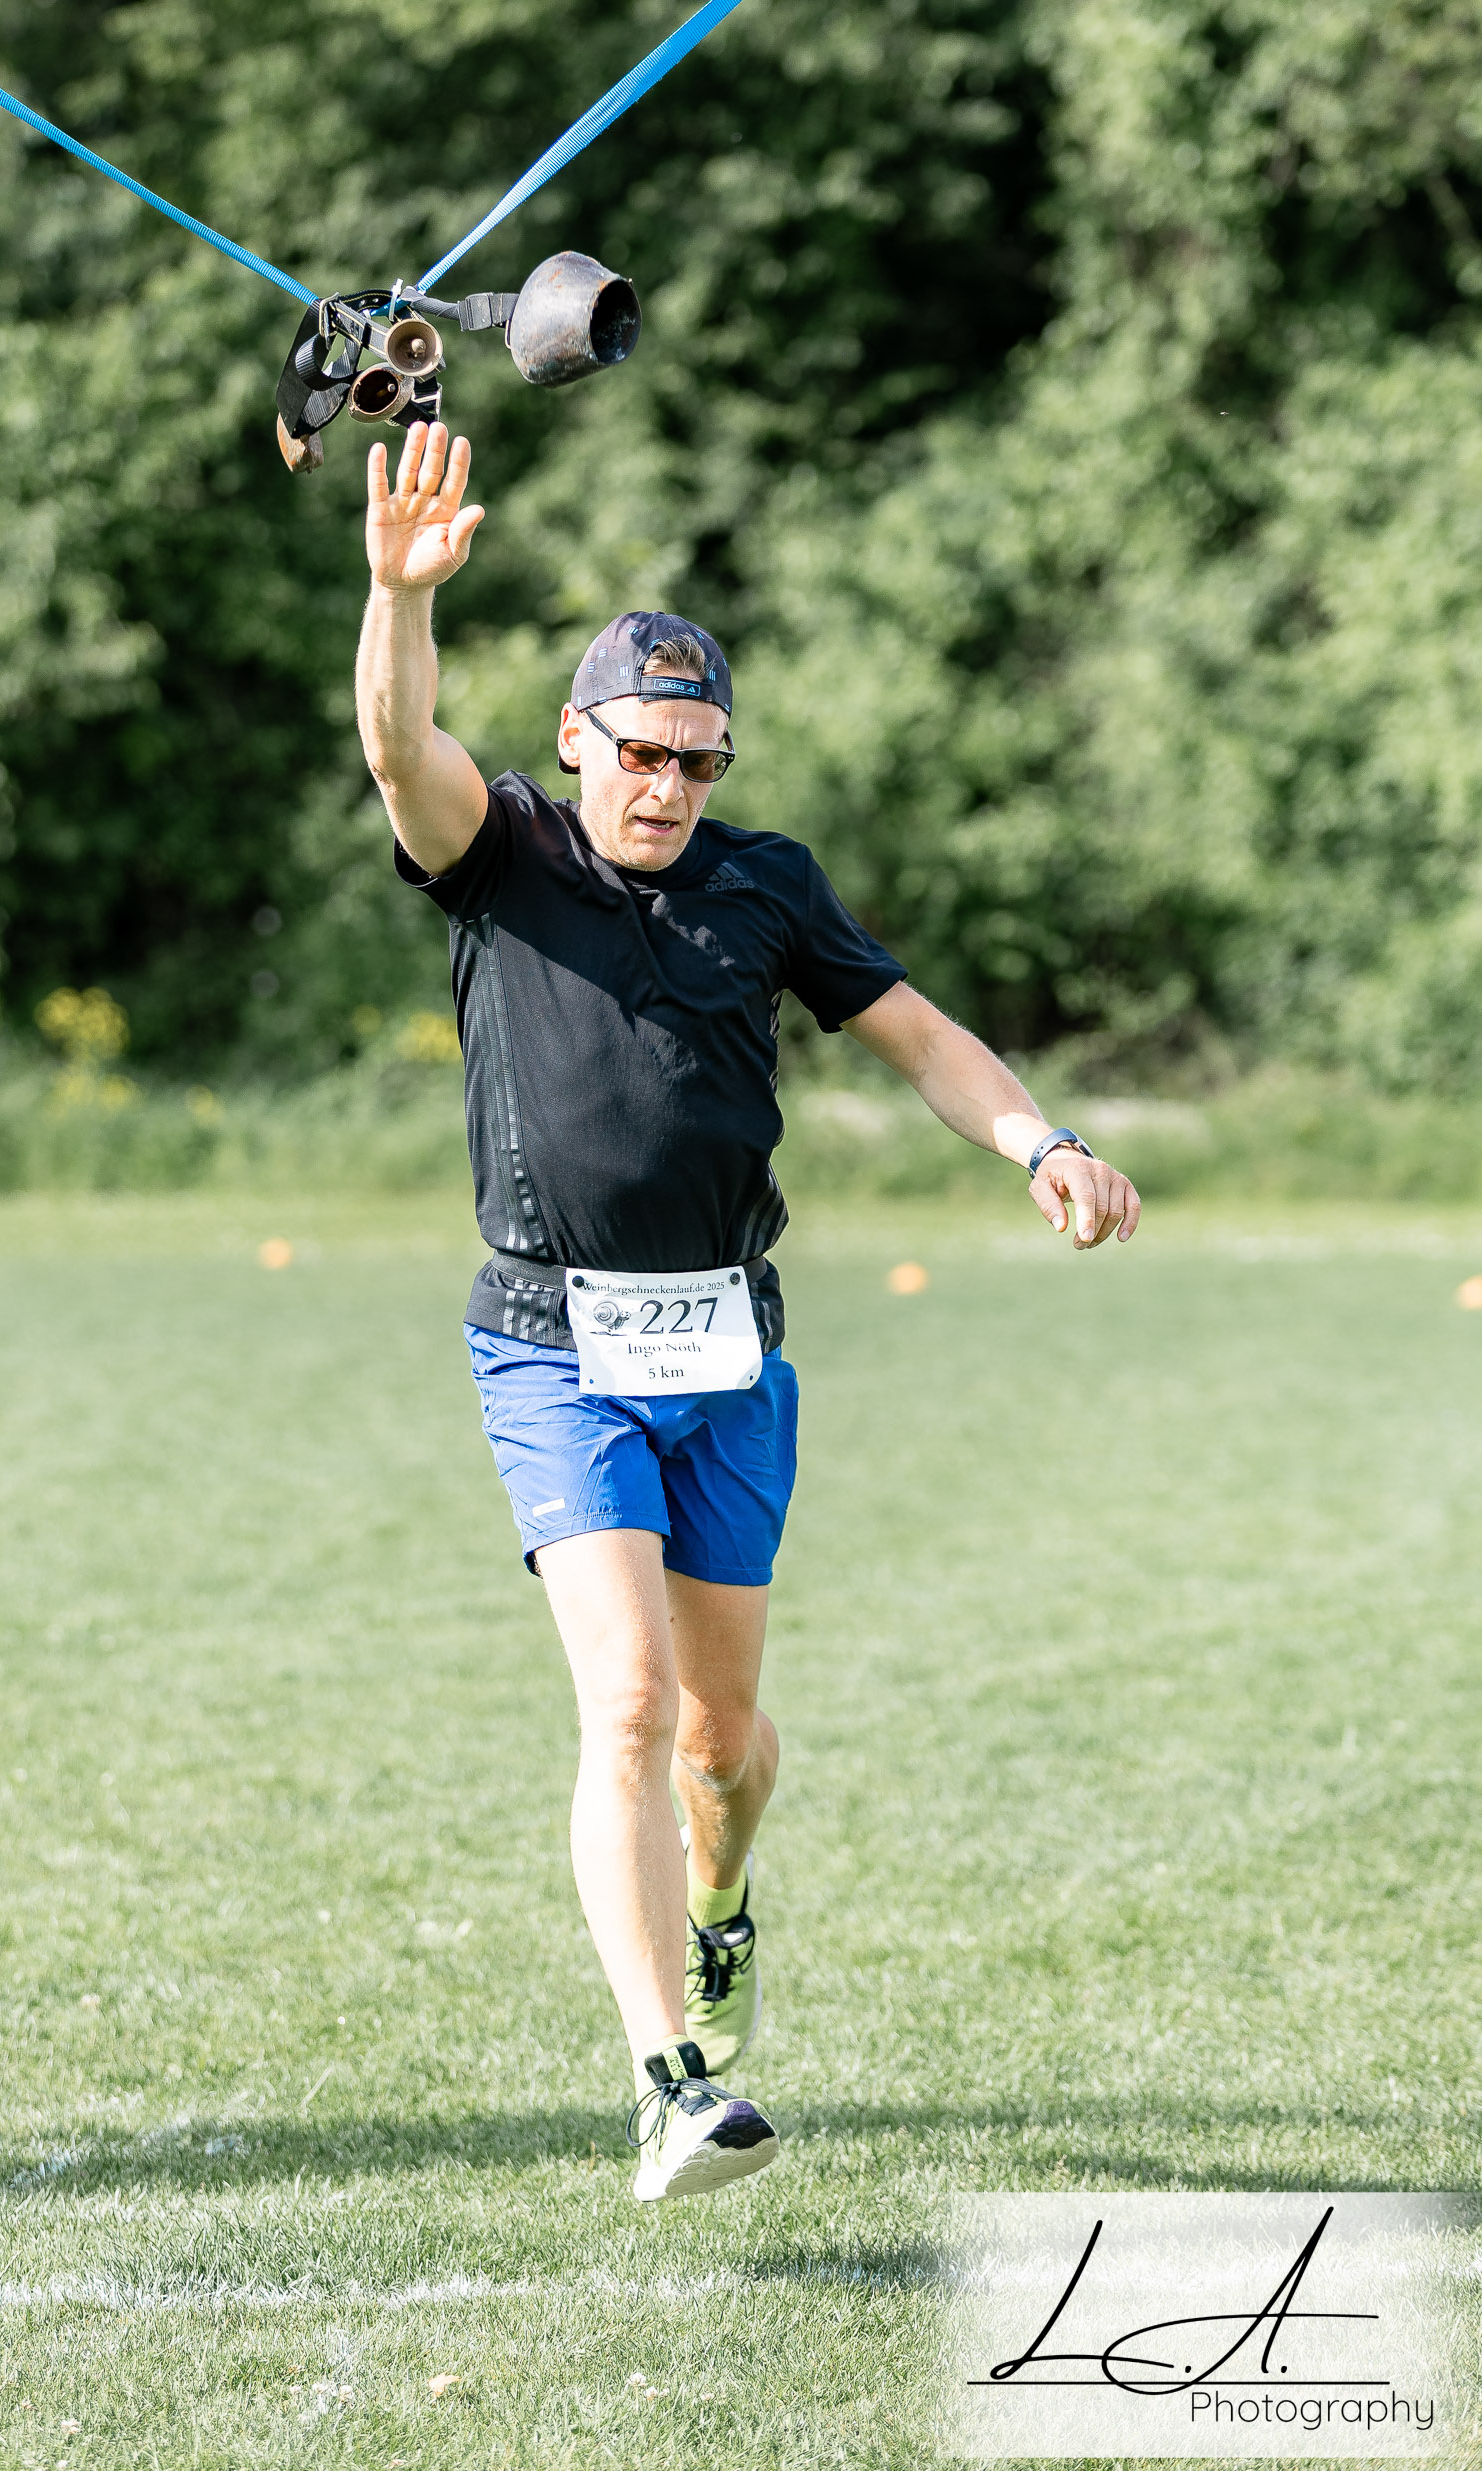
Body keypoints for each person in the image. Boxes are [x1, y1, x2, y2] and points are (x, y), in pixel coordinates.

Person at [355, 420, 1141, 2204]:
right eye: (641, 753)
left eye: (697, 762)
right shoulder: (504, 854)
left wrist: (1041, 1140)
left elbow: (921, 1036)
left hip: (726, 1349)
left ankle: (723, 1894)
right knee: (628, 1706)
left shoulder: (764, 883)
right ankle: (667, 2086)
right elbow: (399, 747)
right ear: (579, 738)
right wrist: (399, 599)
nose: (668, 788)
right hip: (550, 1343)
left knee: (721, 1746)